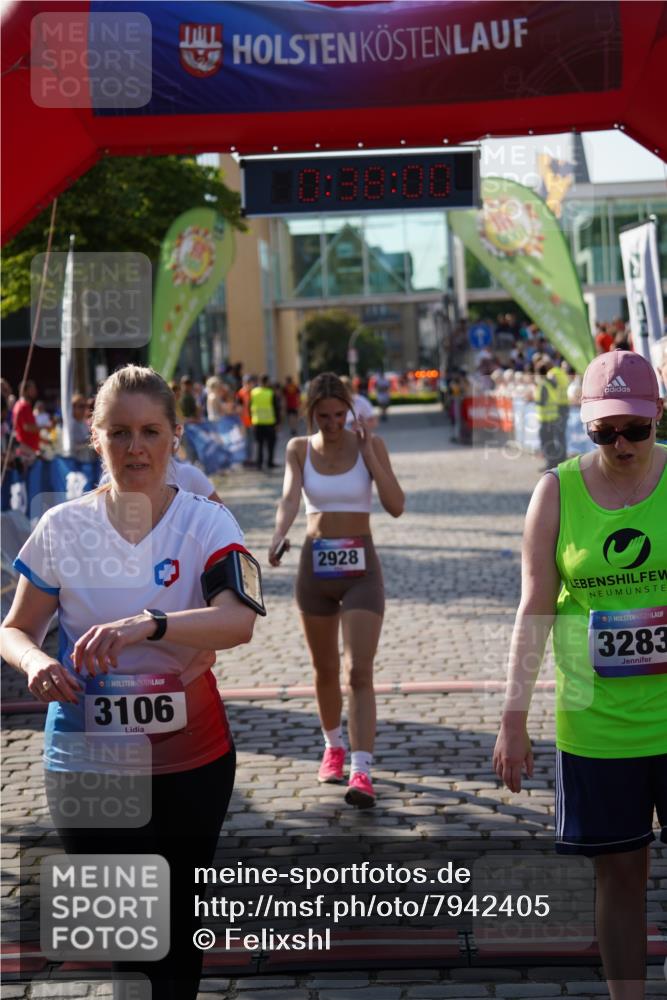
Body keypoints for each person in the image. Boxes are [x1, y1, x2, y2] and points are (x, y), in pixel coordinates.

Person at [0, 364, 264, 1000]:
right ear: (95, 438)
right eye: (119, 433)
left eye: (150, 431)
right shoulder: (62, 526)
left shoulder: (207, 523)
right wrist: (36, 663)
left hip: (192, 753)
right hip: (87, 753)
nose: (136, 447)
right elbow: (13, 629)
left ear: (176, 436)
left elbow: (239, 621)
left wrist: (151, 624)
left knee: (176, 926)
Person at [493, 350, 666, 1000]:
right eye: (602, 431)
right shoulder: (555, 491)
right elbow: (533, 605)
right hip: (596, 725)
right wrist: (513, 718)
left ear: (658, 415)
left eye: (634, 429)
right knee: (618, 877)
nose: (619, 444)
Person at [268, 372, 404, 807]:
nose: (331, 424)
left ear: (350, 410)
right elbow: (290, 498)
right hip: (315, 565)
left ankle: (361, 771)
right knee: (325, 669)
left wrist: (369, 453)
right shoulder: (298, 449)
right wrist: (277, 535)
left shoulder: (370, 446)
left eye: (339, 414)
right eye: (323, 416)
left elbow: (396, 506)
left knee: (358, 672)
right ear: (310, 413)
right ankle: (333, 746)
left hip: (361, 567)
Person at [250, 374, 278, 470]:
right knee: (270, 444)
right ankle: (269, 462)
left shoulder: (253, 392)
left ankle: (259, 463)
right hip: (269, 422)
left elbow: (250, 407)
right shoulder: (270, 393)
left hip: (257, 422)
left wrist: (251, 419)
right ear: (266, 382)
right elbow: (276, 408)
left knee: (259, 444)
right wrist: (278, 422)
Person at [11, 378, 41, 456]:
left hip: (26, 448)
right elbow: (27, 427)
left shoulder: (21, 405)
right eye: (33, 388)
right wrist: (44, 427)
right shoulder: (23, 406)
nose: (35, 390)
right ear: (26, 391)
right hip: (26, 449)